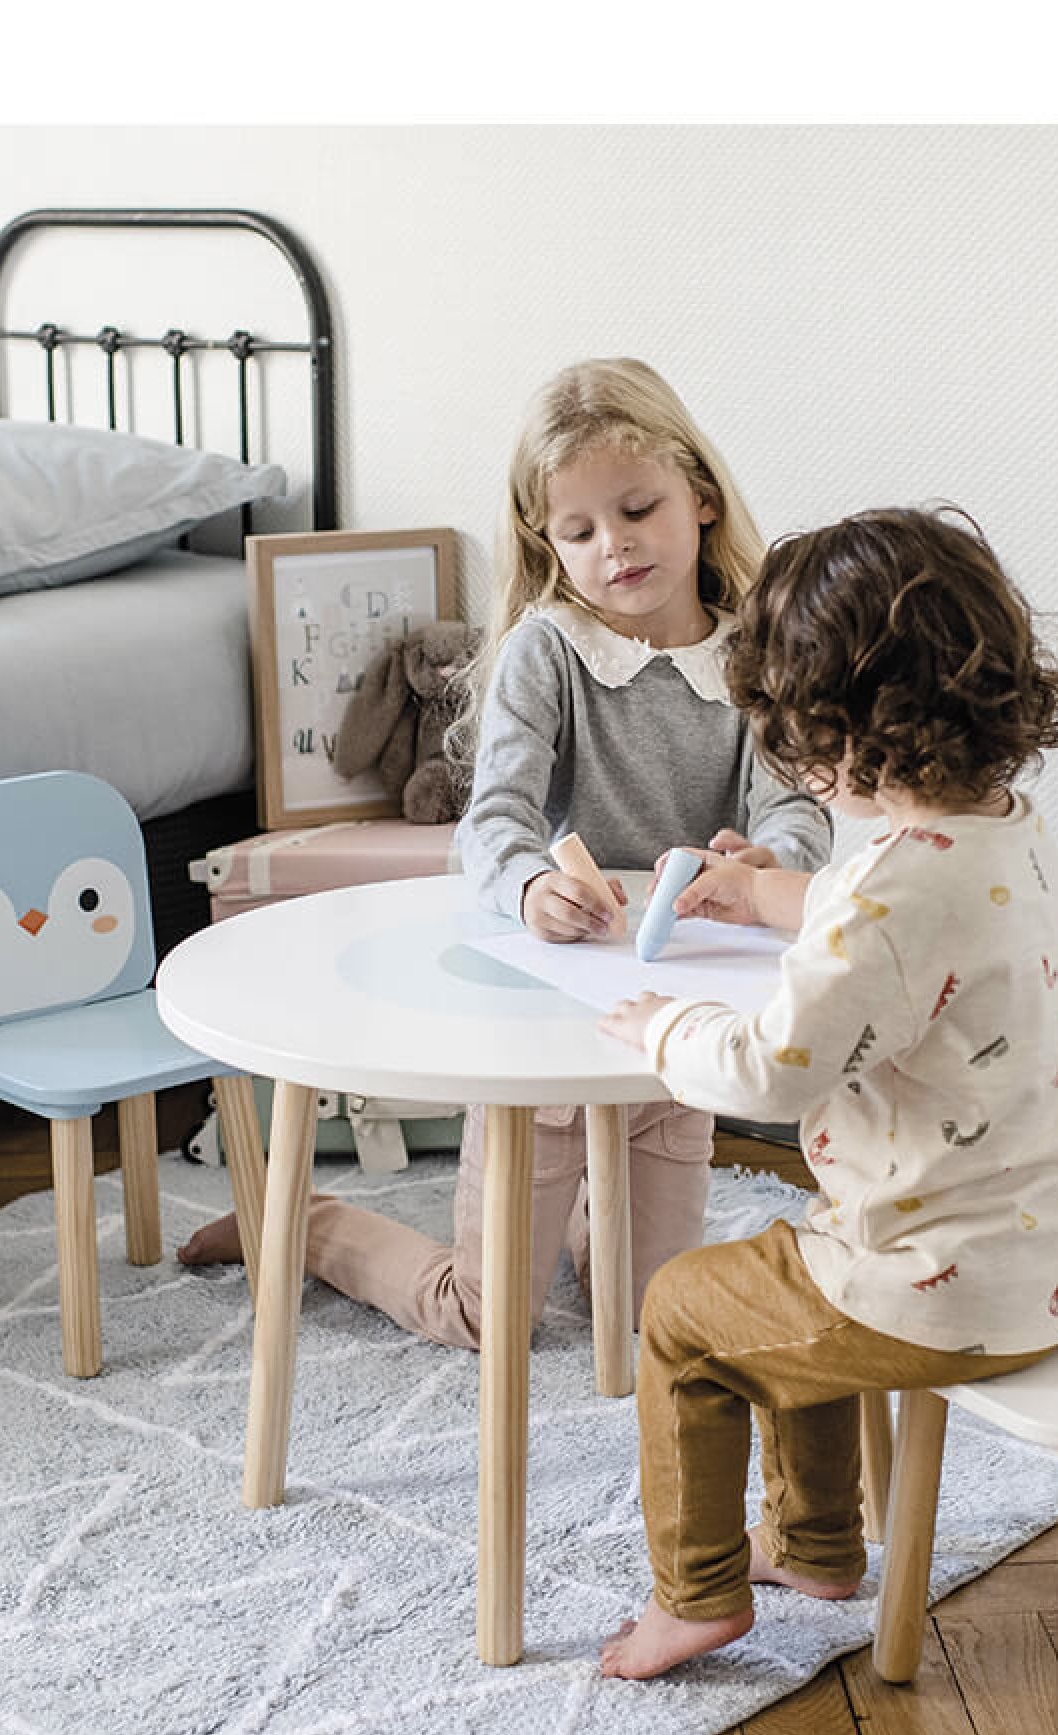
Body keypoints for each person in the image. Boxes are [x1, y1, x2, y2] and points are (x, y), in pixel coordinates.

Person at [178, 357, 831, 1348]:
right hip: (539, 1031)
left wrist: (759, 863)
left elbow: (799, 819)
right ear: (547, 542)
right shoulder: (548, 651)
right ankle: (308, 1223)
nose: (613, 546)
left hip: (679, 1025)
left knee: (646, 1318)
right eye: (578, 531)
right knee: (485, 1317)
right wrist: (528, 888)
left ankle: (585, 1220)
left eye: (636, 508)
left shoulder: (754, 654)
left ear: (698, 496)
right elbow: (492, 825)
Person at [594, 505, 1058, 1679]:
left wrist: (664, 1026)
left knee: (683, 1310)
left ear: (838, 727)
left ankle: (697, 1591)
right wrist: (762, 895)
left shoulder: (886, 899)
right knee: (781, 1269)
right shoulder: (1002, 833)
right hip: (1049, 1258)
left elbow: (772, 1064)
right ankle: (818, 1546)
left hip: (937, 1290)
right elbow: (875, 914)